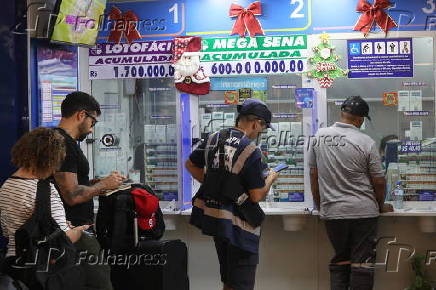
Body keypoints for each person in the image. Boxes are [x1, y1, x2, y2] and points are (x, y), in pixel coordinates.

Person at [186, 99, 278, 290]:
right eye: (263, 128)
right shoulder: (250, 149)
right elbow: (256, 196)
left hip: (217, 221)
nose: (261, 132)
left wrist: (213, 183)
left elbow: (190, 164)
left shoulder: (213, 138)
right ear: (255, 123)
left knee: (228, 281)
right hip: (240, 227)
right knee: (242, 284)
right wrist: (271, 178)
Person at [308, 96, 393, 290]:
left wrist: (321, 205)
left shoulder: (319, 136)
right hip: (363, 213)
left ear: (342, 113)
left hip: (333, 213)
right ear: (361, 119)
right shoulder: (366, 141)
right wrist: (381, 206)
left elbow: (314, 175)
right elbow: (379, 181)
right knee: (362, 263)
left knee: (341, 260)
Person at [52, 91, 124, 290]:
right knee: (100, 284)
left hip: (69, 230)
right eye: (93, 122)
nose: (92, 130)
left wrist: (95, 183)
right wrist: (103, 185)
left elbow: (65, 185)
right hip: (75, 231)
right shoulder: (63, 143)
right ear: (81, 115)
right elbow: (72, 195)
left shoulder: (60, 141)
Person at [0, 128, 88, 258]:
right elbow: (64, 239)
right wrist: (79, 231)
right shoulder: (44, 190)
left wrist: (57, 224)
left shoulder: (7, 185)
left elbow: (7, 231)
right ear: (51, 159)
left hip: (15, 260)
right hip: (42, 266)